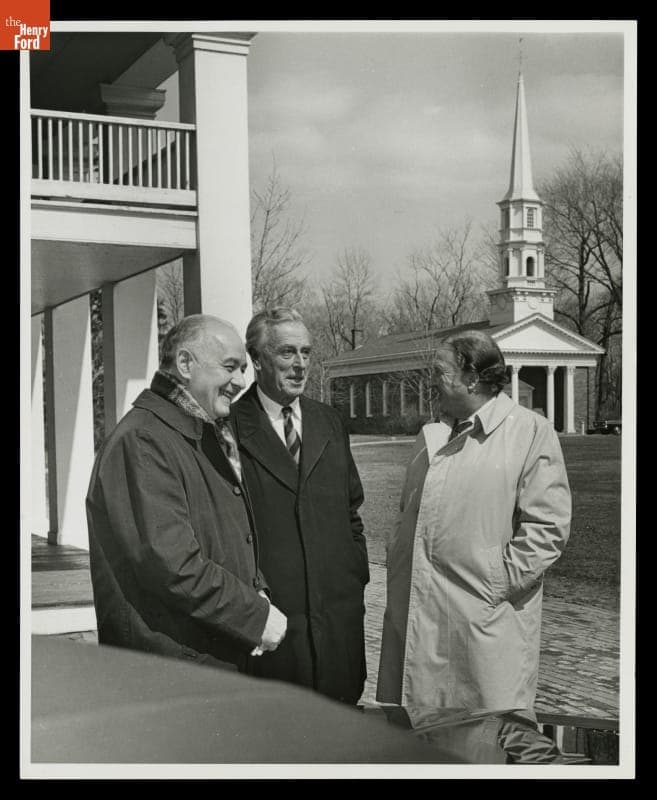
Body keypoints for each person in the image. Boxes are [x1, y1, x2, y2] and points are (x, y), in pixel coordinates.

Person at [377, 329, 571, 711]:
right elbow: (406, 515)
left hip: (482, 621)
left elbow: (548, 528)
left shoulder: (529, 432)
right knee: (419, 745)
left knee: (481, 742)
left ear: (471, 377)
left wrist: (494, 584)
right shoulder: (430, 435)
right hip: (416, 616)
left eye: (440, 372)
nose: (432, 381)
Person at [86, 315, 287, 672]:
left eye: (242, 368)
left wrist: (258, 592)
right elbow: (173, 566)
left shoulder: (193, 435)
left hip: (202, 660)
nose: (241, 382)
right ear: (184, 364)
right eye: (230, 367)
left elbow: (223, 541)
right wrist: (255, 616)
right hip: (171, 671)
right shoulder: (144, 441)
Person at [231, 307, 369, 705]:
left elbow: (351, 510)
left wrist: (353, 573)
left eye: (306, 353)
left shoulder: (329, 421)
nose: (300, 365)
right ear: (256, 359)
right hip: (274, 631)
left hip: (338, 624)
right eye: (287, 353)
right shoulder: (229, 428)